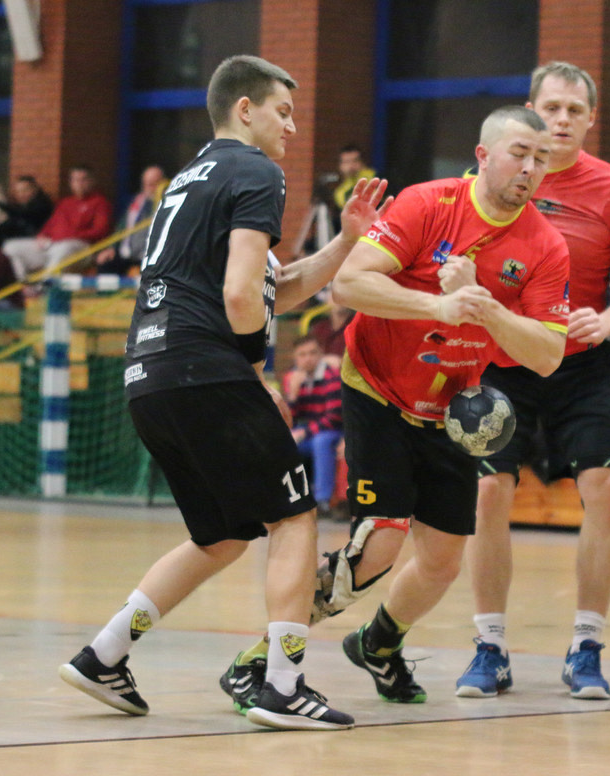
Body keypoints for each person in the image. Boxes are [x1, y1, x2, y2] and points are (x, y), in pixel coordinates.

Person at [59, 54, 389, 732]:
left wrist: (344, 245)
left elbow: (273, 286)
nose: (292, 127)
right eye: (283, 112)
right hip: (207, 369)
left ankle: (104, 655)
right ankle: (283, 686)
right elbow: (241, 296)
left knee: (224, 535)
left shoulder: (189, 181)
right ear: (245, 109)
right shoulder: (257, 170)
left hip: (149, 374)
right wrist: (255, 374)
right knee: (294, 517)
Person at [222, 104, 571, 713]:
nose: (530, 168)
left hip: (453, 406)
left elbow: (547, 355)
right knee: (381, 540)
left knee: (442, 561)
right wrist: (438, 306)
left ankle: (378, 642)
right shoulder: (427, 204)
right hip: (376, 385)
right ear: (483, 155)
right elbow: (350, 284)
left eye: (541, 159)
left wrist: (483, 304)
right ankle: (262, 659)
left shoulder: (544, 244)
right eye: (519, 153)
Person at [447, 62, 610, 701]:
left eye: (574, 110)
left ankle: (587, 646)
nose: (562, 120)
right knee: (489, 492)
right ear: (531, 112)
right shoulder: (489, 182)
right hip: (499, 361)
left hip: (580, 363)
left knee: (607, 486)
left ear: (592, 118)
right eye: (552, 108)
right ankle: (489, 647)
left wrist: (608, 319)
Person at [3, 166, 113, 280]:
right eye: (75, 180)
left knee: (65, 247)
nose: (79, 183)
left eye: (83, 180)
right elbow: (51, 224)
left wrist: (70, 236)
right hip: (53, 244)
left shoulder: (100, 202)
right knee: (10, 247)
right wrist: (42, 235)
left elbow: (100, 231)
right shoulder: (65, 202)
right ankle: (23, 284)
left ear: (92, 181)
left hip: (81, 247)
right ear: (71, 183)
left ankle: (46, 286)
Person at [285, 335, 344, 517]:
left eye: (312, 353)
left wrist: (304, 432)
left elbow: (334, 417)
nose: (308, 358)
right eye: (302, 354)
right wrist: (293, 396)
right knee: (283, 441)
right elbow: (289, 420)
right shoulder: (293, 378)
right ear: (295, 358)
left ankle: (322, 500)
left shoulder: (331, 376)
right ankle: (289, 497)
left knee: (321, 441)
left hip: (334, 431)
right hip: (310, 432)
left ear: (320, 354)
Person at [292, 144, 375, 260]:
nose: (351, 166)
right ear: (340, 165)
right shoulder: (340, 191)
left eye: (354, 161)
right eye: (346, 162)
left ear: (362, 163)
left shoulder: (373, 179)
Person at [94, 165, 166, 275]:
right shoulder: (137, 202)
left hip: (151, 256)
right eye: (145, 184)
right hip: (127, 254)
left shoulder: (167, 204)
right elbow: (122, 227)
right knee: (105, 264)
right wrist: (112, 248)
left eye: (152, 184)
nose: (149, 188)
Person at [0, 175, 54, 241]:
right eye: (18, 191)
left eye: (25, 190)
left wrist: (1, 205)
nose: (21, 194)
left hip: (35, 240)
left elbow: (26, 215)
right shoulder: (22, 204)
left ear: (35, 189)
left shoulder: (43, 203)